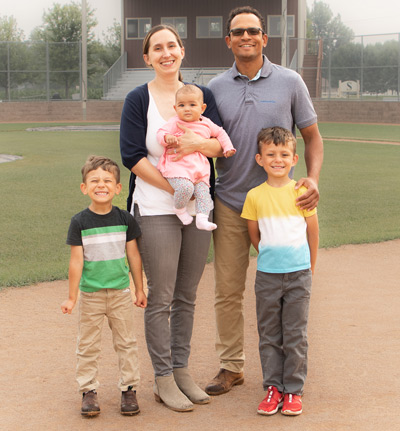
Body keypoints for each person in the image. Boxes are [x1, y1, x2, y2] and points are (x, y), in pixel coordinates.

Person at [205, 6, 324, 396]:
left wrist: (312, 179)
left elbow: (312, 137)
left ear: (264, 38)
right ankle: (231, 366)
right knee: (228, 289)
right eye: (237, 31)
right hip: (231, 202)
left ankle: (289, 372)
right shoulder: (215, 87)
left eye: (252, 30)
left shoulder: (290, 81)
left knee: (288, 285)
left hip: (281, 206)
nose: (245, 37)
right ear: (228, 40)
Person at [119, 25, 223, 412]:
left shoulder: (201, 95)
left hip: (196, 208)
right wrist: (175, 188)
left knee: (187, 296)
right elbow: (132, 156)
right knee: (161, 297)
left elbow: (218, 141)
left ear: (183, 51)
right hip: (157, 207)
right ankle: (163, 379)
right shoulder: (137, 98)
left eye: (172, 46)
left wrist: (201, 150)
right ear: (147, 57)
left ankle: (181, 372)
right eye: (156, 48)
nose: (166, 53)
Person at [60, 155, 147, 417]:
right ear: (84, 187)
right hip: (91, 295)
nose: (101, 185)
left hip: (120, 293)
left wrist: (139, 289)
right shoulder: (80, 222)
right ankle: (88, 391)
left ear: (118, 188)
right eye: (94, 180)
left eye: (108, 180)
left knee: (126, 343)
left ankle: (129, 389)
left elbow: (133, 256)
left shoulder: (125, 219)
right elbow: (76, 262)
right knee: (88, 345)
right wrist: (71, 297)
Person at [241, 127, 319, 416]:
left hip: (299, 274)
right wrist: (271, 259)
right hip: (267, 276)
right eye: (271, 154)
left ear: (294, 158)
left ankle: (294, 390)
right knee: (270, 334)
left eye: (284, 154)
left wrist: (310, 267)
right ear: (260, 159)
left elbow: (313, 232)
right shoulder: (254, 196)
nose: (278, 159)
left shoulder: (302, 192)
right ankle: (273, 388)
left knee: (295, 333)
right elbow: (254, 235)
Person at [157, 84, 235, 231]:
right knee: (186, 188)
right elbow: (160, 133)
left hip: (199, 168)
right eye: (182, 105)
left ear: (202, 108)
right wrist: (167, 138)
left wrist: (228, 147)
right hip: (177, 166)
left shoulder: (206, 123)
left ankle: (202, 219)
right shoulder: (175, 122)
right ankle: (179, 208)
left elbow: (221, 133)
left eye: (192, 104)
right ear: (175, 108)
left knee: (204, 193)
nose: (187, 108)